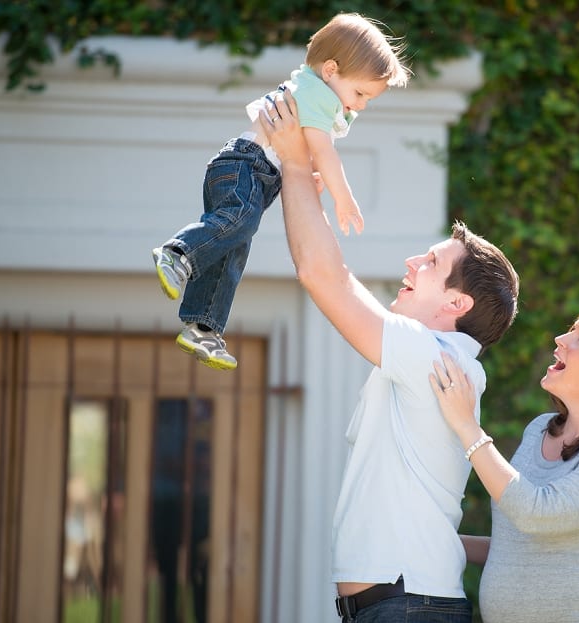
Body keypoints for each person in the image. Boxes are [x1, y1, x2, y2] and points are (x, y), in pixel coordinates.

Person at [260, 91, 520, 623]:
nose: (411, 261)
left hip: (406, 610)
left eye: (430, 262)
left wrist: (291, 160)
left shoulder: (432, 354)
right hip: (399, 609)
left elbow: (323, 276)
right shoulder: (437, 360)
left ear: (456, 304)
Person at [152, 13, 410, 370]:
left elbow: (306, 149)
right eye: (360, 93)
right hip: (244, 164)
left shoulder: (319, 94)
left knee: (232, 250)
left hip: (257, 173)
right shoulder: (317, 93)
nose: (362, 104)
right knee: (238, 223)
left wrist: (310, 175)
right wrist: (342, 196)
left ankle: (202, 328)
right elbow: (323, 151)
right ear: (331, 70)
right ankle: (179, 253)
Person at [429, 301, 579, 623]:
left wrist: (467, 427)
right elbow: (516, 543)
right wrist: (431, 540)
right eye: (571, 330)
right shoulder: (539, 430)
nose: (560, 339)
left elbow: (536, 513)